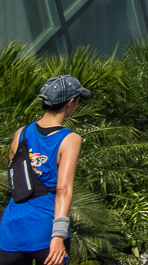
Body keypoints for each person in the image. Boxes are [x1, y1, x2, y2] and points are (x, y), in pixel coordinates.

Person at [0, 76, 88, 265]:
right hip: (45, 231)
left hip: (11, 230)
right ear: (70, 103)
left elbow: (15, 178)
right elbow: (63, 189)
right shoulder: (69, 139)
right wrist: (58, 235)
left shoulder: (21, 133)